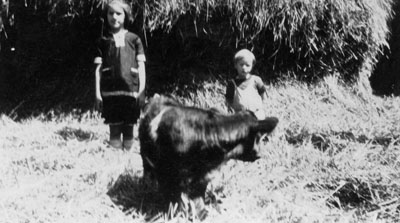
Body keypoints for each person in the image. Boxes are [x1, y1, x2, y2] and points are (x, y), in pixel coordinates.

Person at [94, 0, 146, 150]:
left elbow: (141, 66)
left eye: (118, 13)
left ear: (126, 16)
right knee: (114, 128)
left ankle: (127, 158)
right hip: (110, 92)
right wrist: (97, 93)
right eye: (111, 13)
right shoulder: (102, 42)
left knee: (129, 128)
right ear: (106, 16)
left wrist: (141, 92)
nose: (114, 17)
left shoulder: (134, 39)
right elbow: (98, 69)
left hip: (131, 92)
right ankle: (115, 156)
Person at [225, 49, 267, 120]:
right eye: (241, 65)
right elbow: (228, 101)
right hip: (240, 117)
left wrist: (262, 109)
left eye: (247, 65)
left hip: (257, 115)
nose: (244, 68)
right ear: (235, 65)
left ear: (252, 66)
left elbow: (264, 97)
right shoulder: (232, 83)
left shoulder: (256, 80)